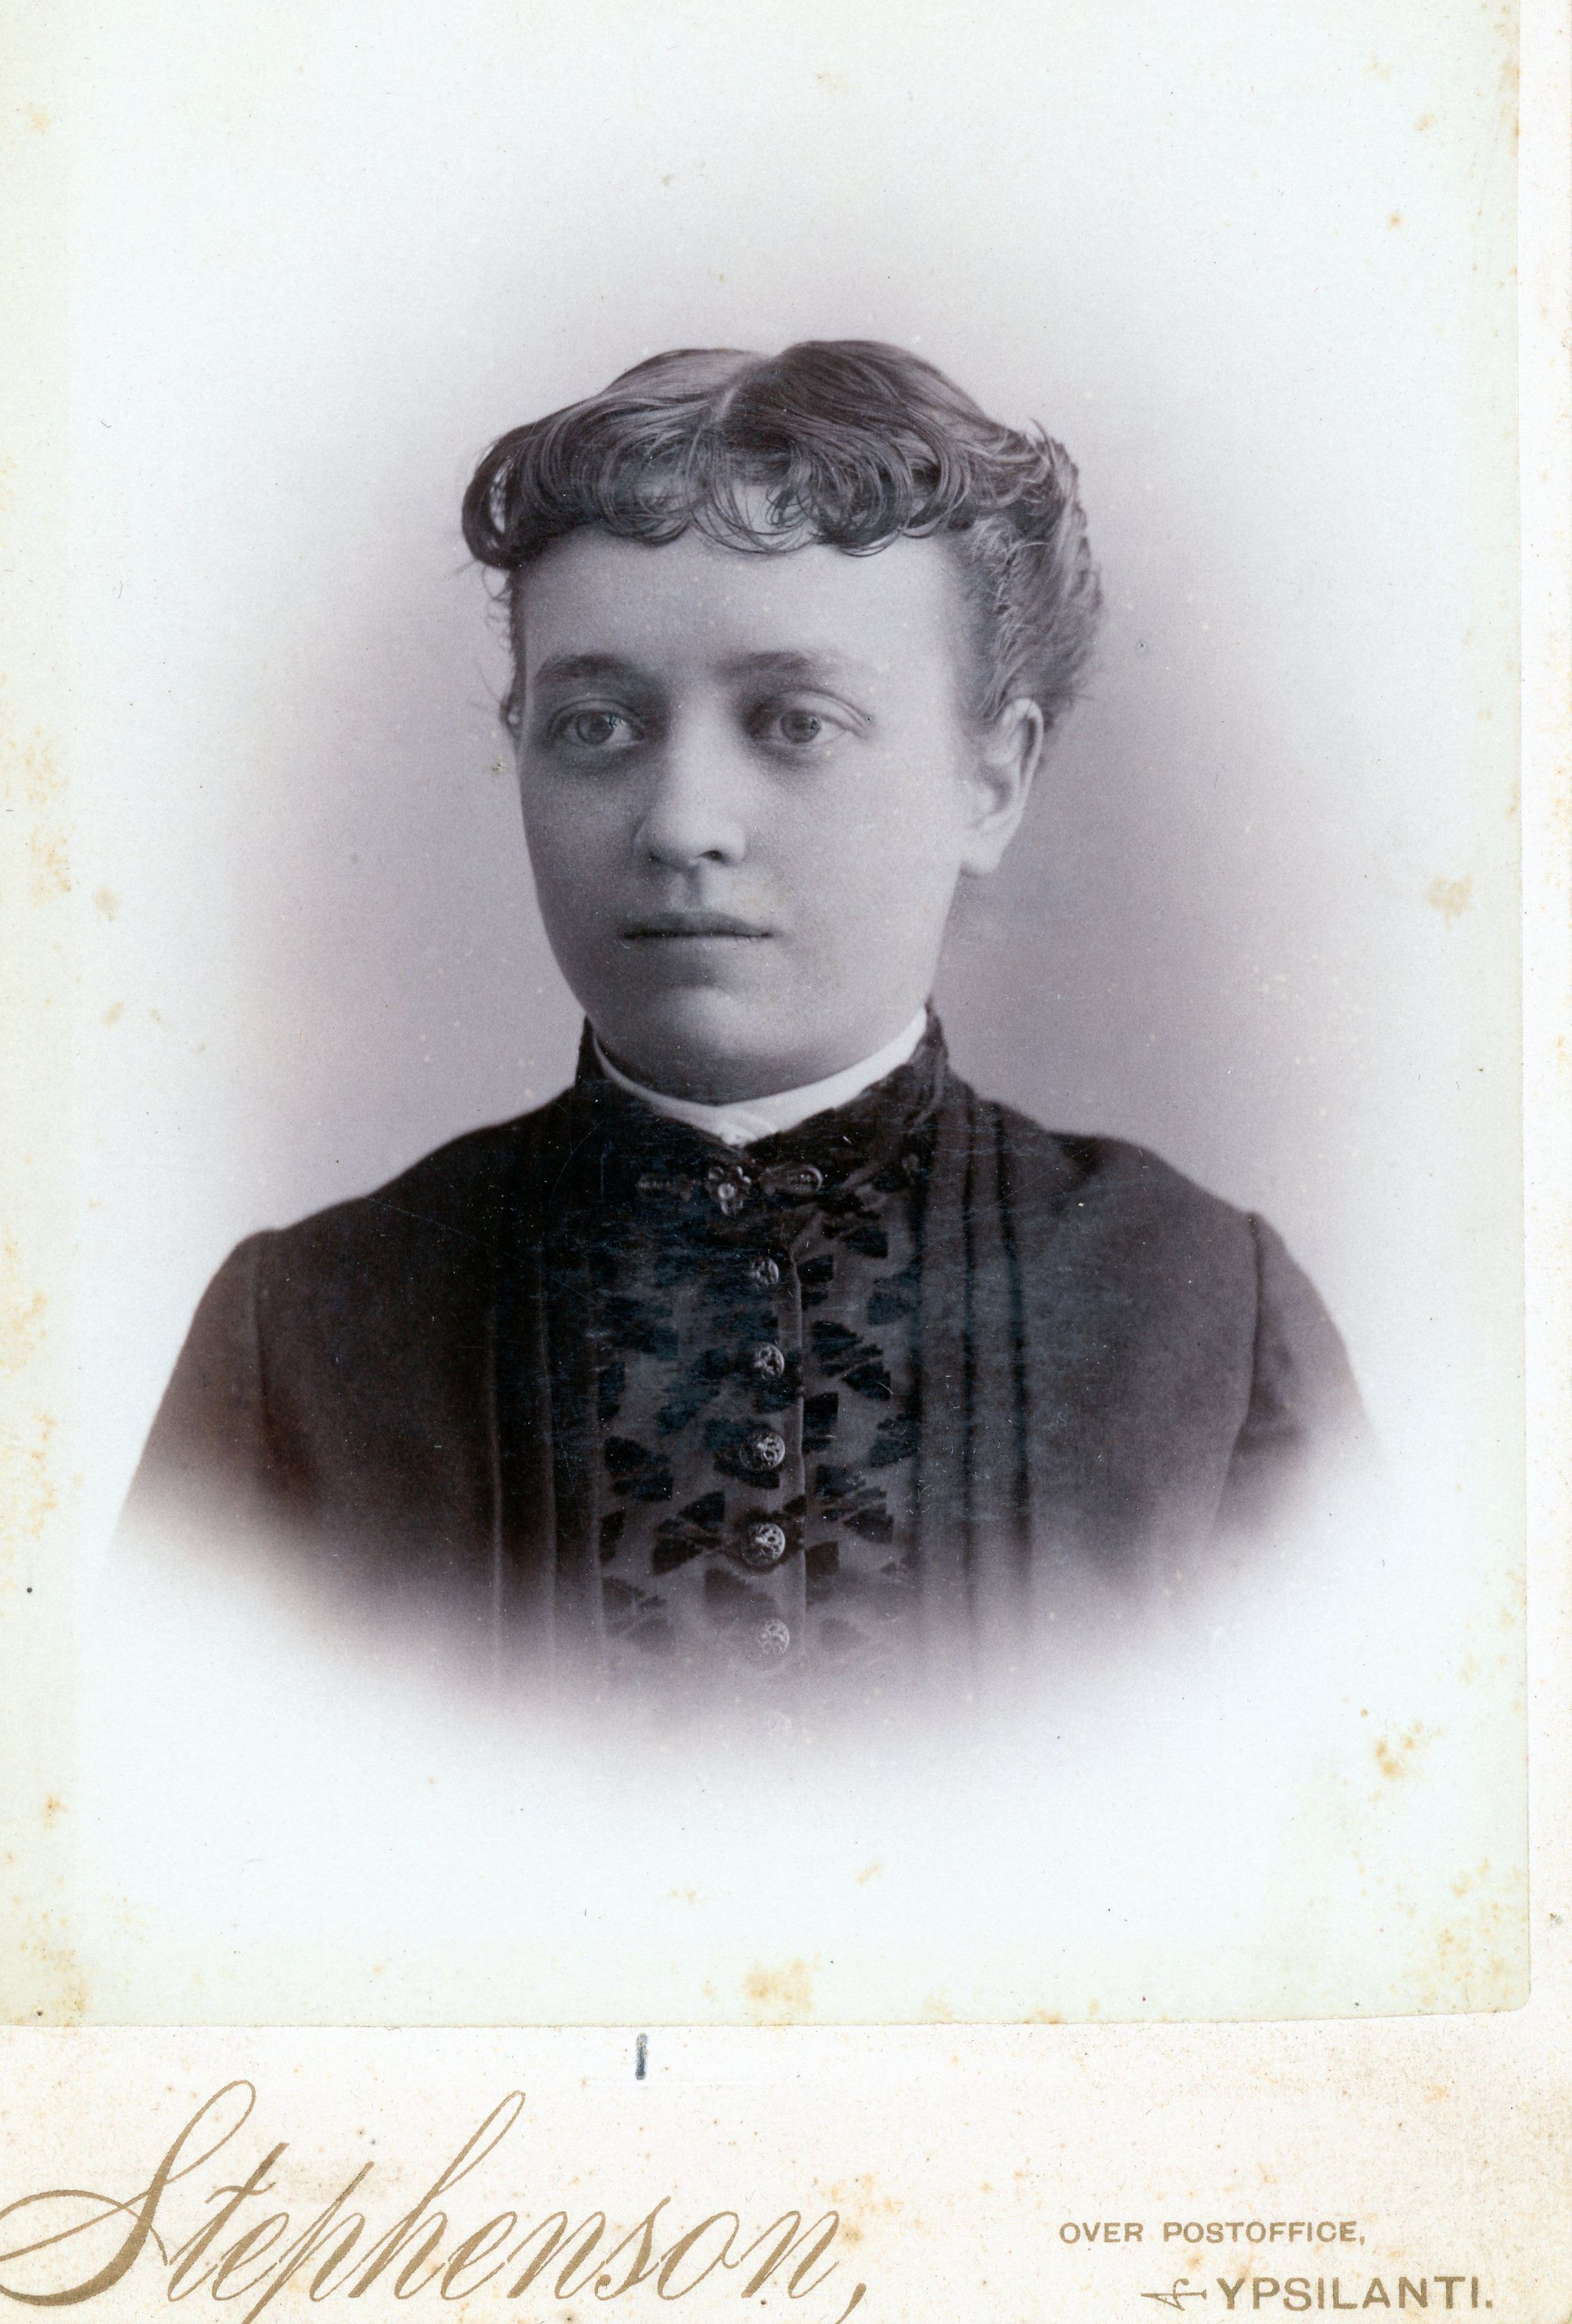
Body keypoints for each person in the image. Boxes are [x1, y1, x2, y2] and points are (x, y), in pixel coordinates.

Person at [121, 340, 1372, 1699]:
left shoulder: (1201, 1309)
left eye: (796, 724)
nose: (682, 825)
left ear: (992, 781)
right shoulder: (303, 1335)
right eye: (598, 727)